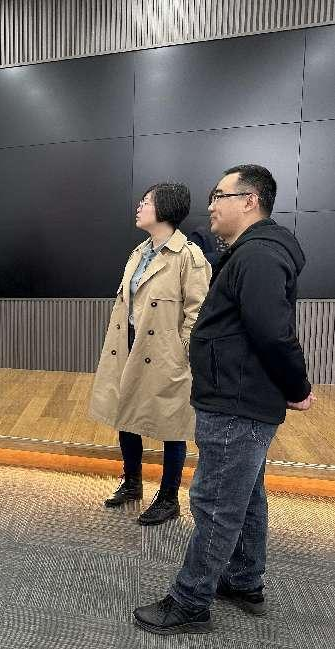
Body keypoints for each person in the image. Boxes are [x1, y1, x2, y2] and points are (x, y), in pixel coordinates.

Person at [134, 164, 315, 635]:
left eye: (220, 195)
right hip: (237, 395)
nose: (211, 205)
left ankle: (190, 601)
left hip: (236, 400)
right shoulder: (251, 252)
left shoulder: (258, 257)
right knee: (246, 496)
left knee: (216, 503)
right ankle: (243, 580)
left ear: (249, 201)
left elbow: (273, 334)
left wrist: (298, 388)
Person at [90, 183, 211, 525]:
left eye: (146, 202)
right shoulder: (140, 252)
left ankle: (169, 498)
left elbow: (198, 314)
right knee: (125, 413)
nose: (139, 206)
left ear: (165, 209)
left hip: (165, 354)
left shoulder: (188, 257)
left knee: (172, 423)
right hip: (130, 345)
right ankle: (132, 483)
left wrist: (182, 354)